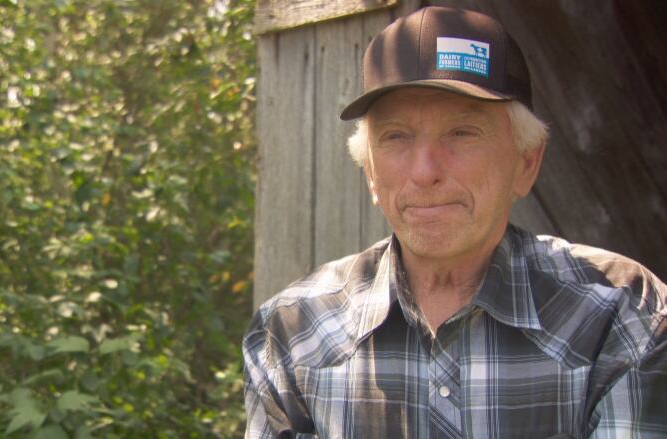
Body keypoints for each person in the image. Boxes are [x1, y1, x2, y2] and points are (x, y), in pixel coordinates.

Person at [243, 5, 666, 439]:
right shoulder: (292, 332)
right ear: (370, 172)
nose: (425, 171)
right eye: (396, 136)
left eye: (462, 132)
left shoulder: (623, 314)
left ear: (526, 162)